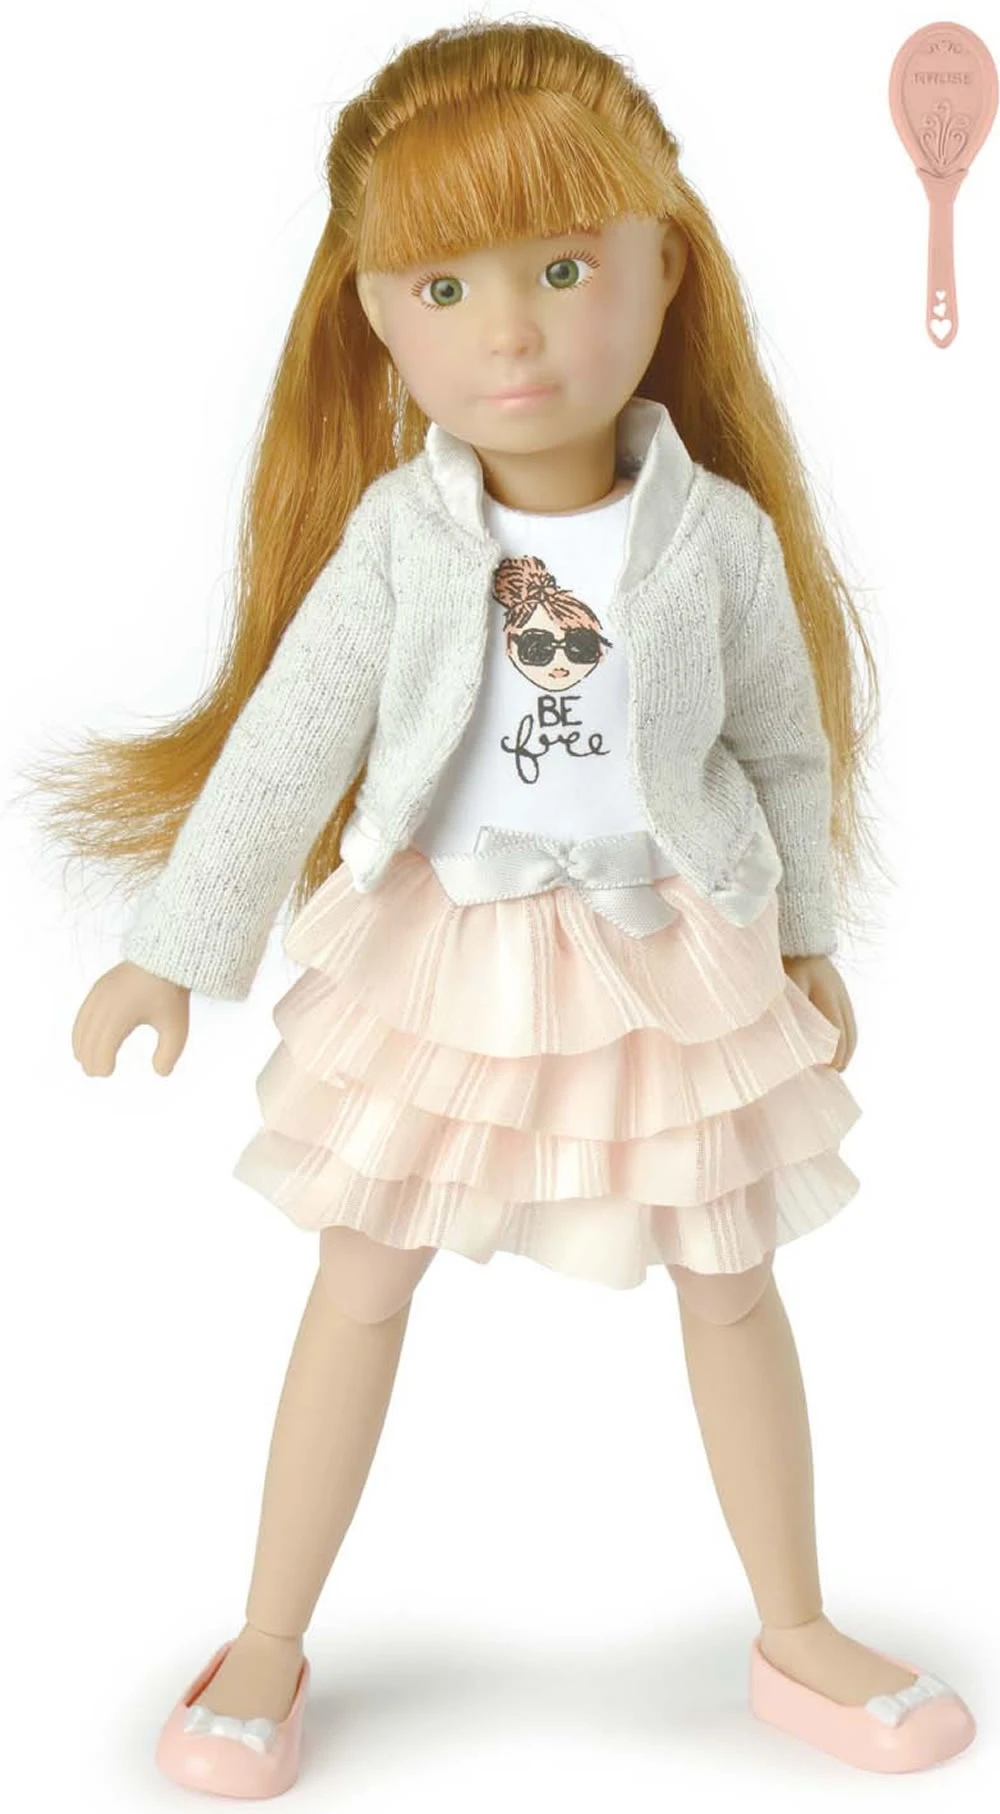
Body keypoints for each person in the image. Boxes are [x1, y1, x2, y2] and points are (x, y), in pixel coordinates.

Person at [25, 16, 975, 1794]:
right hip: (443, 955)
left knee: (732, 1278)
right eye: (444, 288)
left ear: (664, 267)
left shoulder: (715, 536)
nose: (512, 333)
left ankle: (792, 1626)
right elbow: (286, 746)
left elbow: (783, 746)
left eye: (561, 267)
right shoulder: (404, 540)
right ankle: (269, 1634)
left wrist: (806, 935)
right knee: (360, 1277)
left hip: (666, 951)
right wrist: (174, 949)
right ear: (376, 316)